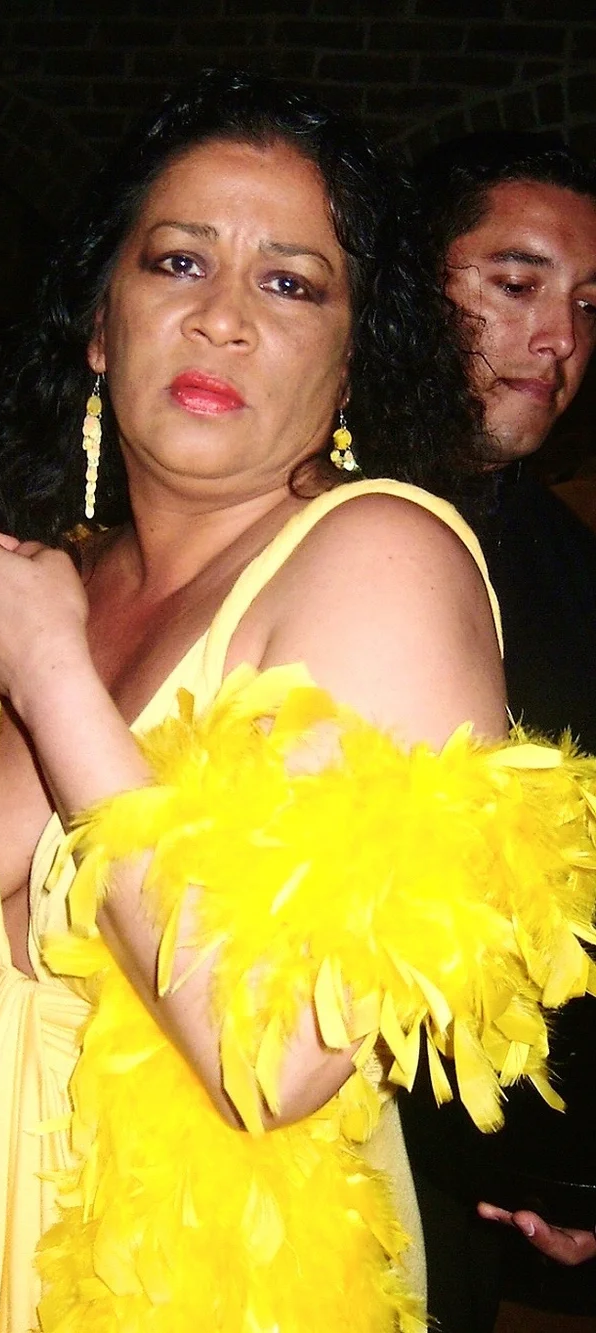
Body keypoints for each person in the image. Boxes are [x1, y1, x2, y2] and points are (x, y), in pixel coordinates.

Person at [0, 74, 596, 1332]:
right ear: (100, 323)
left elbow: (272, 1053)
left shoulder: (379, 558)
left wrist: (50, 676)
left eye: (290, 283)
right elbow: (6, 867)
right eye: (178, 262)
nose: (222, 316)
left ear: (352, 358)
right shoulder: (66, 566)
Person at [399, 131, 596, 1329]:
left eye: (588, 304)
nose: (559, 337)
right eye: (515, 283)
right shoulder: (282, 506)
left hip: (464, 1168)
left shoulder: (570, 568)